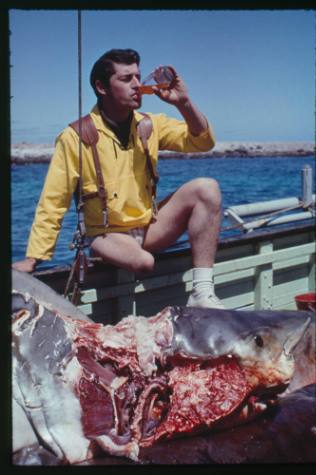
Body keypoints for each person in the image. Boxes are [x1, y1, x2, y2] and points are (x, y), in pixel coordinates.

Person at [12, 48, 225, 309]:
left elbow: (203, 142)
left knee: (207, 188)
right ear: (101, 87)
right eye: (126, 79)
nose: (138, 85)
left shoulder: (150, 124)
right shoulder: (75, 137)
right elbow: (53, 202)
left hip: (149, 227)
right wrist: (33, 259)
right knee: (144, 262)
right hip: (107, 235)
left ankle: (202, 293)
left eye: (137, 76)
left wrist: (183, 102)